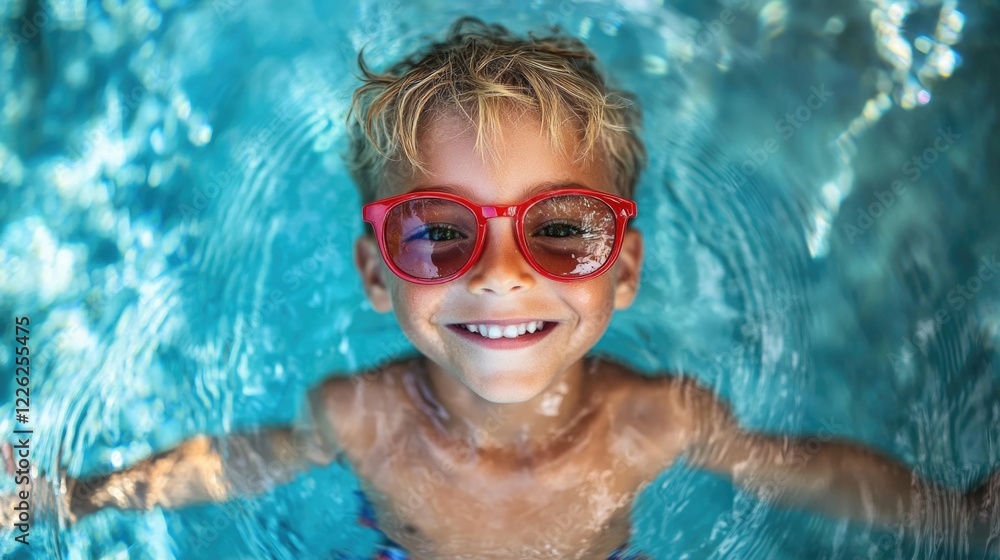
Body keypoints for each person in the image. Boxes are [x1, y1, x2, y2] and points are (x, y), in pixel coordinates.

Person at [2, 16, 998, 560]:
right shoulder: (364, 414)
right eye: (438, 234)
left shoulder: (650, 419)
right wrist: (67, 495)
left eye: (559, 229)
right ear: (375, 272)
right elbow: (238, 463)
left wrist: (949, 512)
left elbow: (793, 467)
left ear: (625, 266)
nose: (498, 270)